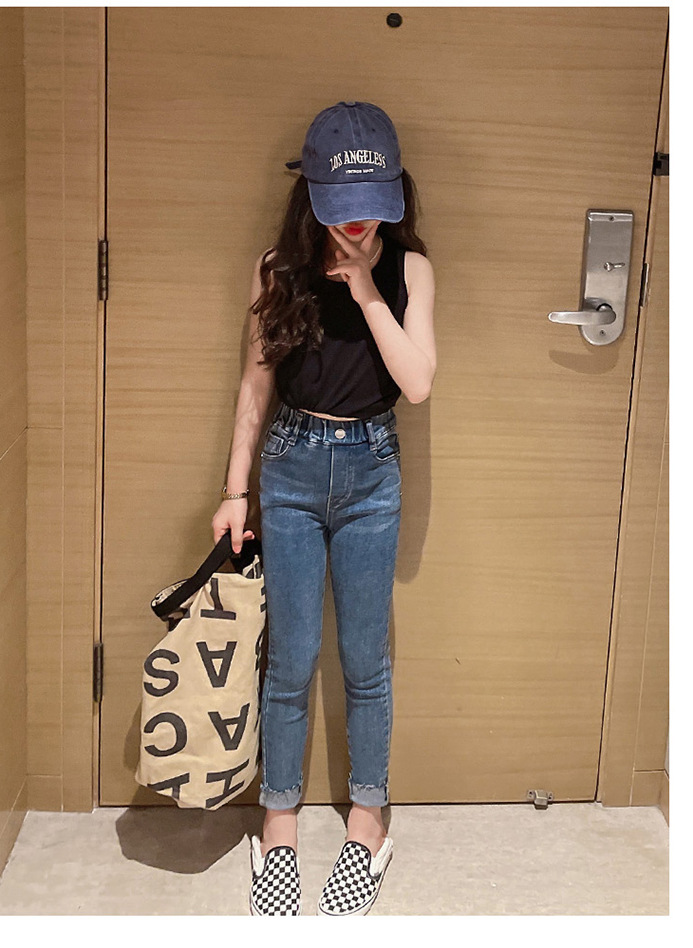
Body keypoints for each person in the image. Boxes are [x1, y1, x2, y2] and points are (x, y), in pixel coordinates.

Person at [212, 101, 436, 916]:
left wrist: (368, 287)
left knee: (365, 660)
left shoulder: (411, 270)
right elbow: (255, 384)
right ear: (310, 194)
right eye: (343, 207)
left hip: (373, 469)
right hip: (292, 467)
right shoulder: (279, 269)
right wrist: (235, 490)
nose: (357, 221)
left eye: (371, 204)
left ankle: (368, 820)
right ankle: (278, 822)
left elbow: (417, 382)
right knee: (291, 656)